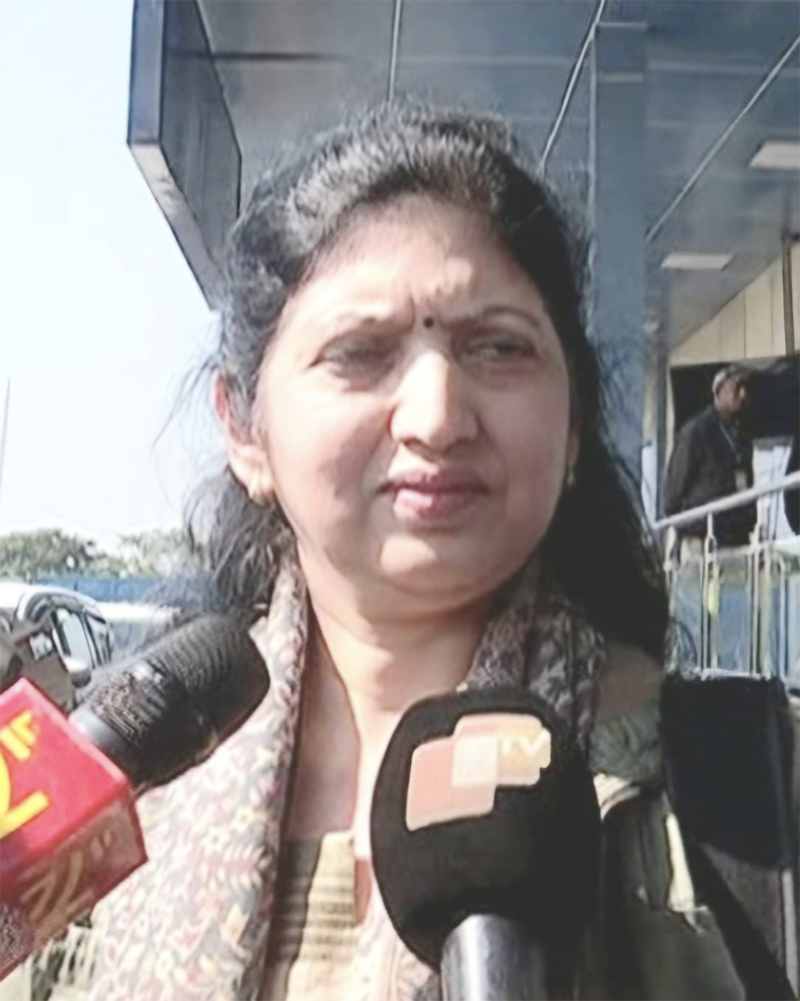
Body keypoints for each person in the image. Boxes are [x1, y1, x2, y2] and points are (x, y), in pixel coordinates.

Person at [31, 106, 744, 1000]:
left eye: (500, 347)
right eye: (361, 353)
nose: (437, 416)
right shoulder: (97, 803)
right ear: (244, 430)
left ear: (571, 429)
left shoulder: (745, 795)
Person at [664, 364, 756, 555]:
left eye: (746, 388)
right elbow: (674, 493)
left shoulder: (743, 437)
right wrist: (686, 526)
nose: (743, 394)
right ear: (719, 391)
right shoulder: (695, 432)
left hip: (736, 537)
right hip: (701, 538)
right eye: (737, 387)